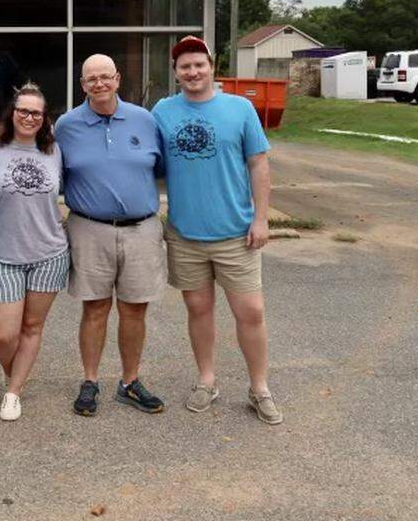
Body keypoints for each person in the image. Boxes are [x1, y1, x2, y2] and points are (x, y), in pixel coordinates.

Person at [151, 36, 282, 425]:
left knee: (251, 312)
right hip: (186, 234)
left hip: (236, 234)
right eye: (184, 66)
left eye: (199, 64)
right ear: (176, 73)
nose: (193, 72)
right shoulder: (162, 111)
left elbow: (259, 164)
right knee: (199, 309)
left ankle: (260, 388)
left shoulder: (240, 109)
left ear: (212, 66)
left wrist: (261, 219)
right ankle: (207, 379)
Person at [54, 54, 167, 417]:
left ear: (117, 78)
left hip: (141, 229)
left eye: (106, 76)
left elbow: (161, 169)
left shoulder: (145, 120)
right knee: (95, 308)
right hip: (89, 228)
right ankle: (90, 381)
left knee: (135, 310)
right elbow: (53, 176)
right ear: (82, 85)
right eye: (91, 79)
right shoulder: (66, 126)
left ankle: (130, 381)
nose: (99, 84)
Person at [0, 83, 68, 421]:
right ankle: (14, 372)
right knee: (3, 334)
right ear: (11, 113)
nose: (29, 117)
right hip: (0, 255)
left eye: (36, 113)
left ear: (45, 119)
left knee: (32, 326)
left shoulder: (54, 151)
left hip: (49, 253)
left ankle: (13, 391)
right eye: (23, 111)